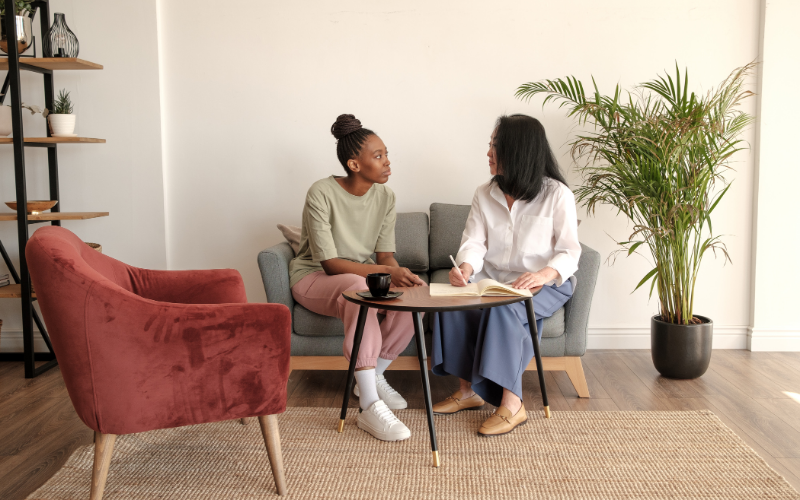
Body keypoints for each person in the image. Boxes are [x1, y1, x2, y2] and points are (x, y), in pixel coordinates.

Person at [431, 114, 581, 436]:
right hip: (495, 277)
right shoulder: (484, 193)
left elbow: (570, 251)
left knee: (506, 309)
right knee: (452, 300)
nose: (488, 153)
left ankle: (513, 405)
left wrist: (542, 274)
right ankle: (467, 391)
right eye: (489, 145)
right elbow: (473, 242)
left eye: (495, 146)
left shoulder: (557, 195)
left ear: (517, 150)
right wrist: (466, 269)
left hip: (547, 282)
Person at [290, 114, 426, 442]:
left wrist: (400, 275)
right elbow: (331, 264)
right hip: (314, 278)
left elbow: (384, 258)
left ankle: (371, 376)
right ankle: (369, 405)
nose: (387, 162)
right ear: (354, 164)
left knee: (415, 297)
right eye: (378, 156)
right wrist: (385, 272)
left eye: (386, 154)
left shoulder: (386, 198)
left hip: (363, 277)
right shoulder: (321, 192)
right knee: (356, 289)